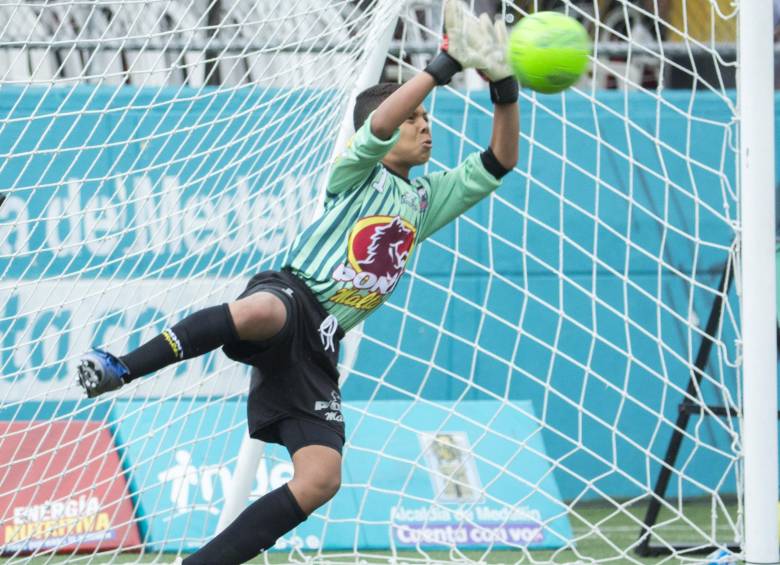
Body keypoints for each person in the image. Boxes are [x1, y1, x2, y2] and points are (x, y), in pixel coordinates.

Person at [75, 0, 519, 562]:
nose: (424, 127)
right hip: (293, 294)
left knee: (321, 478)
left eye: (429, 120)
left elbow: (501, 161)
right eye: (416, 119)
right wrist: (444, 65)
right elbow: (380, 121)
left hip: (320, 347)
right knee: (261, 311)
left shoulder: (425, 201)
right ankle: (121, 368)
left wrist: (503, 84)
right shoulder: (356, 170)